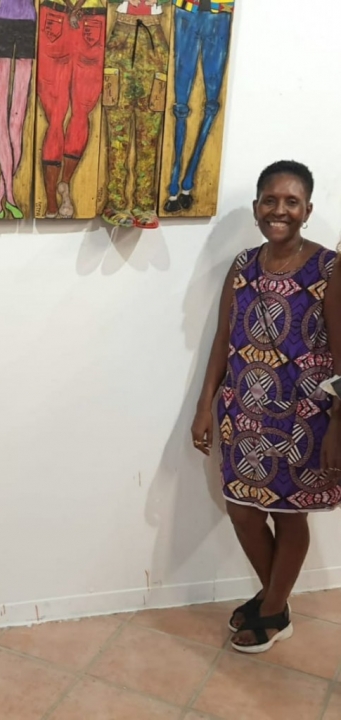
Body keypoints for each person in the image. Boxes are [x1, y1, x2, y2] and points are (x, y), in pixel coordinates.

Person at [192, 161, 341, 654]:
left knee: (290, 516)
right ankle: (275, 599)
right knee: (243, 510)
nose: (280, 210)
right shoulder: (243, 265)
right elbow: (223, 339)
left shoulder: (330, 269)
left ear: (307, 210)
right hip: (243, 414)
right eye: (270, 201)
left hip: (306, 419)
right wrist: (205, 406)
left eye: (291, 202)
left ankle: (274, 609)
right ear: (257, 207)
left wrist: (338, 424)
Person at [101, 0, 170, 229]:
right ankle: (115, 204)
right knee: (117, 130)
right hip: (121, 36)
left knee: (149, 131)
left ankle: (144, 204)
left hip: (154, 39)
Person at [36, 0, 106, 219]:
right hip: (90, 18)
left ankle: (54, 197)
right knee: (77, 115)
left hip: (59, 16)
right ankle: (60, 187)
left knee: (60, 116)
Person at [163, 0, 233, 214]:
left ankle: (185, 183)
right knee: (182, 104)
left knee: (211, 102)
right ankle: (176, 184)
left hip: (219, 13)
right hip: (187, 11)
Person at [0, 0, 36, 219]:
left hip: (28, 25)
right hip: (3, 23)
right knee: (2, 121)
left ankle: (1, 195)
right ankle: (9, 195)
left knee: (17, 124)